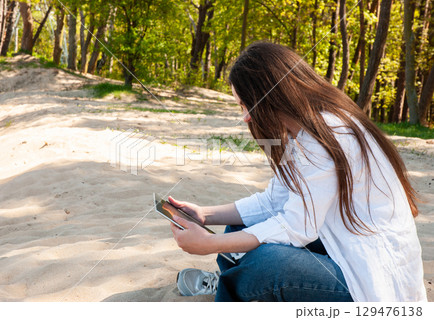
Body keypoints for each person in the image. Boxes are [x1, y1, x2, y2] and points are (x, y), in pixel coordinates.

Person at [169, 41, 427, 302]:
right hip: (342, 246)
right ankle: (232, 283)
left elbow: (296, 228)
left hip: (371, 281)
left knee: (268, 263)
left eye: (245, 105)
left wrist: (207, 245)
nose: (245, 117)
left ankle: (232, 287)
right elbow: (272, 202)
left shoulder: (328, 135)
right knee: (242, 224)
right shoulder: (302, 133)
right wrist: (204, 215)